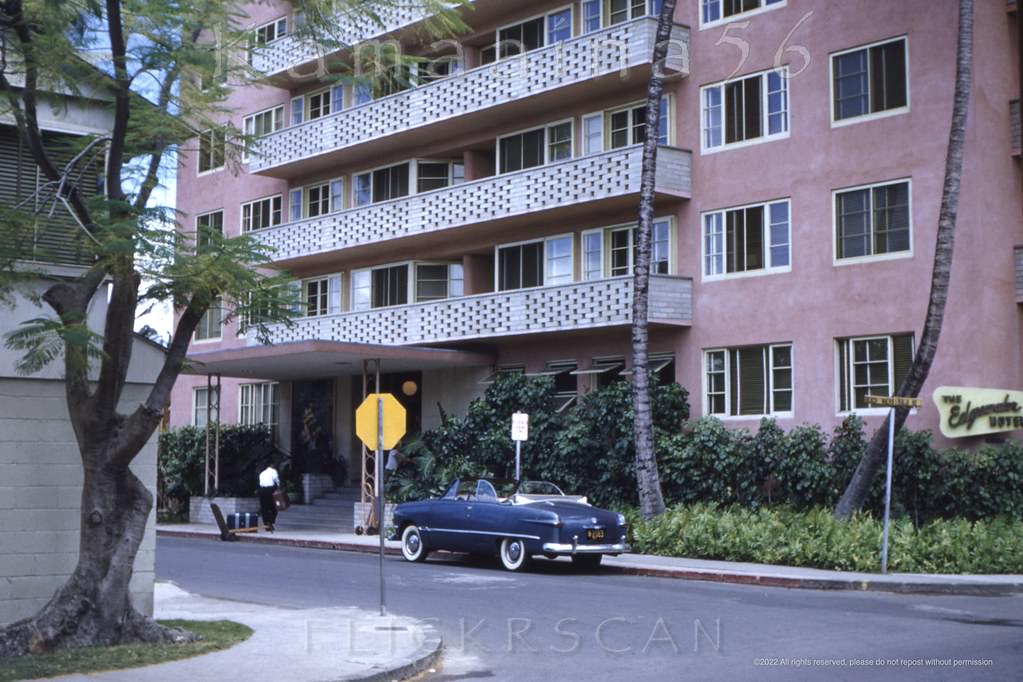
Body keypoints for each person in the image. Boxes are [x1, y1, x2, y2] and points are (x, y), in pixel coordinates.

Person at [258, 462, 280, 532]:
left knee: (264, 508)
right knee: (275, 507)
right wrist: (279, 488)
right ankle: (270, 521)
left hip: (262, 490)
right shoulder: (273, 471)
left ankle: (266, 524)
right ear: (271, 465)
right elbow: (277, 480)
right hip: (270, 490)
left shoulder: (262, 473)